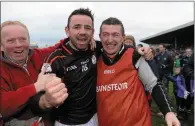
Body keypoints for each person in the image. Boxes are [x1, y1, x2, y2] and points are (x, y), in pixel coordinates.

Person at [31, 8, 154, 126]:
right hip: (66, 123)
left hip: (95, 119)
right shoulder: (55, 59)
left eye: (87, 28)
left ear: (93, 32)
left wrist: (142, 50)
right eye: (77, 27)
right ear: (67, 30)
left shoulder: (97, 48)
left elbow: (119, 47)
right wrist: (45, 101)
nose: (83, 32)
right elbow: (34, 100)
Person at [96, 17, 180, 126]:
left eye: (115, 35)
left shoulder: (134, 56)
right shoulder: (94, 58)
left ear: (122, 37)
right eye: (105, 34)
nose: (110, 39)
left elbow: (153, 84)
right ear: (100, 37)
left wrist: (168, 111)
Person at [0, 21, 68, 126]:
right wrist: (37, 86)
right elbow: (3, 105)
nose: (18, 45)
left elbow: (60, 45)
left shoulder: (38, 55)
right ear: (1, 46)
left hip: (48, 119)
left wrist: (89, 38)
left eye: (23, 39)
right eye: (11, 41)